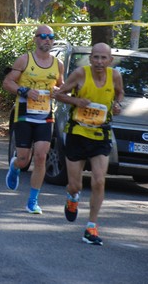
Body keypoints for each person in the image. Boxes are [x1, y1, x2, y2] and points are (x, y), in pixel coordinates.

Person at [54, 43, 124, 246]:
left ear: (110, 60)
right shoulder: (79, 74)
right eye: (96, 57)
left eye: (104, 58)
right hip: (78, 133)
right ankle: (72, 197)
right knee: (75, 184)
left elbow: (119, 93)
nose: (100, 62)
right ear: (90, 58)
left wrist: (117, 104)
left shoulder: (115, 76)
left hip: (101, 134)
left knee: (99, 181)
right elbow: (59, 94)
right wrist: (76, 102)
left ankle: (91, 226)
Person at [2, 25, 64, 214]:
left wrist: (58, 92)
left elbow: (61, 87)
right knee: (23, 158)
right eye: (43, 36)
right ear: (36, 39)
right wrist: (25, 90)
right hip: (24, 115)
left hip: (45, 116)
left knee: (41, 156)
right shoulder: (24, 60)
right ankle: (15, 166)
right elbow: (7, 82)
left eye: (51, 37)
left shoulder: (58, 64)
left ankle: (33, 201)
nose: (47, 40)